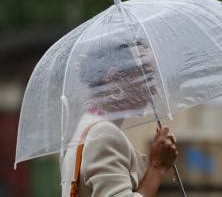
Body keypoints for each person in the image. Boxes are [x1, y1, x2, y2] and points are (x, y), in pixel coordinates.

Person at [61, 40, 178, 197]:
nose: (154, 89)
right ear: (115, 79)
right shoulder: (104, 135)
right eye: (147, 76)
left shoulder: (87, 128)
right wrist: (157, 167)